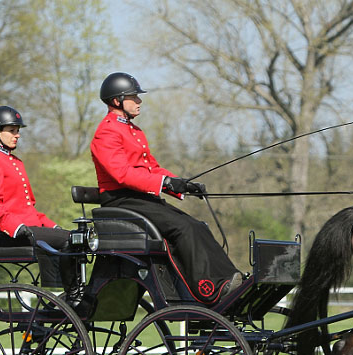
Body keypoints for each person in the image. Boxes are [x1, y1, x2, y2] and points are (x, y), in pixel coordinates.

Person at [90, 72, 242, 304]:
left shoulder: (134, 131)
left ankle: (228, 279)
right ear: (117, 101)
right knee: (183, 228)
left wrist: (180, 184)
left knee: (196, 225)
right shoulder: (107, 132)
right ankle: (208, 289)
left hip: (140, 199)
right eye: (133, 97)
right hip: (121, 200)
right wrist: (164, 183)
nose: (139, 102)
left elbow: (152, 168)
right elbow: (121, 174)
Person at [0, 106, 79, 298]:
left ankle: (72, 294)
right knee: (68, 240)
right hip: (6, 233)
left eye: (18, 131)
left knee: (75, 238)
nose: (16, 135)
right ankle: (66, 293)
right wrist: (16, 227)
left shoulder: (16, 163)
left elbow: (28, 208)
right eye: (11, 131)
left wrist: (53, 226)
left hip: (27, 228)